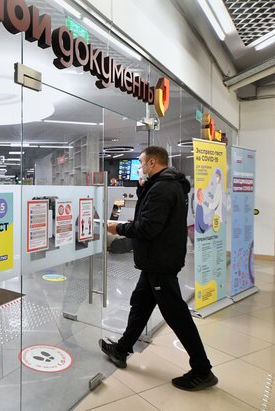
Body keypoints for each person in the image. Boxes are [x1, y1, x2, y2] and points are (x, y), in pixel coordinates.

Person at [101, 146, 218, 392]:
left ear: (153, 162)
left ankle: (202, 369)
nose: (140, 167)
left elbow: (147, 228)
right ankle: (121, 349)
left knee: (176, 314)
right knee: (141, 304)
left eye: (141, 163)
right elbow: (154, 218)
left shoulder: (162, 188)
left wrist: (118, 228)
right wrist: (142, 187)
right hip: (158, 259)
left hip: (160, 261)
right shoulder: (168, 185)